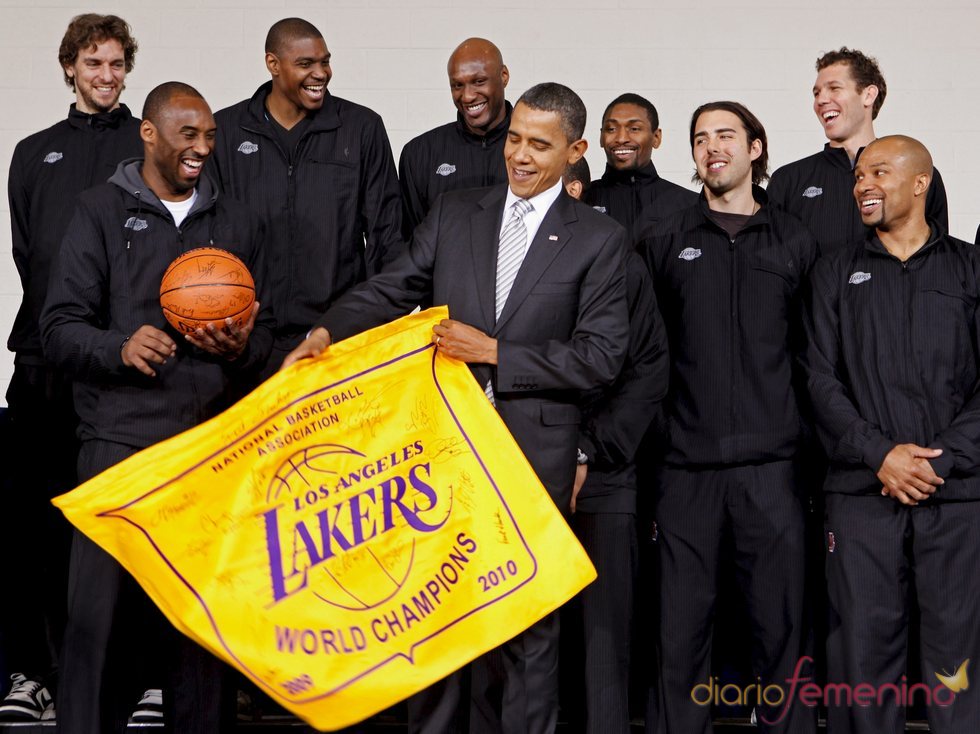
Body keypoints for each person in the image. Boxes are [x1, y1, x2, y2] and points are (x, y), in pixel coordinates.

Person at [284, 82, 630, 734]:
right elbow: (391, 289)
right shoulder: (455, 211)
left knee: (527, 626)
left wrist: (495, 352)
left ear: (576, 150)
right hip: (443, 453)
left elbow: (601, 356)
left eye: (539, 145)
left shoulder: (600, 238)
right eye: (514, 138)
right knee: (436, 618)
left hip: (533, 458)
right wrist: (327, 332)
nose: (519, 155)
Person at [40, 82, 274, 734]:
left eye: (210, 136)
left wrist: (242, 347)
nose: (202, 148)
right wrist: (119, 348)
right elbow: (58, 328)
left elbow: (270, 338)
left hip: (207, 448)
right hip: (118, 445)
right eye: (187, 135)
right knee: (96, 631)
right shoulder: (98, 210)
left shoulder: (239, 221)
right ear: (149, 134)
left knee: (200, 634)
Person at [639, 101, 817, 733]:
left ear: (755, 148)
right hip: (685, 474)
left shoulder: (796, 240)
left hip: (773, 473)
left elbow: (812, 356)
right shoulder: (663, 238)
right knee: (679, 643)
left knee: (781, 641)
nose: (711, 147)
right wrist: (661, 438)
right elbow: (643, 355)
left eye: (725, 135)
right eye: (700, 138)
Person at [804, 135, 980, 734]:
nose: (863, 186)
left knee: (957, 664)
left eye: (878, 172)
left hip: (955, 497)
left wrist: (940, 460)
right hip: (861, 496)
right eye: (858, 176)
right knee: (862, 656)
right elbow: (818, 379)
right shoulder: (833, 271)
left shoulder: (970, 267)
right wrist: (879, 454)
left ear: (920, 182)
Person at [0, 13, 142, 722]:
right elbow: (30, 253)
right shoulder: (33, 153)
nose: (106, 76)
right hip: (44, 363)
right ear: (69, 68)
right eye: (93, 64)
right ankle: (35, 676)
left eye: (116, 64)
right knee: (37, 526)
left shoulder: (147, 142)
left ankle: (140, 682)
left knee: (128, 525)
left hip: (120, 367)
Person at [212, 17, 403, 377]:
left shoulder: (361, 128)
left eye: (325, 62)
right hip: (249, 343)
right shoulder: (225, 131)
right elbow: (209, 239)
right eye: (305, 64)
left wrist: (375, 328)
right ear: (273, 64)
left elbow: (386, 237)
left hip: (336, 339)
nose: (321, 73)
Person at [563, 157, 670, 733]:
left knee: (604, 638)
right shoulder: (502, 255)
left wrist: (588, 451)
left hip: (605, 471)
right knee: (522, 636)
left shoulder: (620, 260)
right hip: (518, 468)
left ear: (575, 187)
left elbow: (648, 366)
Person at [768, 47, 948, 256]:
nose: (821, 100)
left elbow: (937, 257)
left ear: (868, 95)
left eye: (834, 88)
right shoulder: (788, 180)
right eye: (816, 93)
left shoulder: (915, 174)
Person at [399, 37, 512, 239]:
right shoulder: (420, 153)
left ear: (504, 76)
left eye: (479, 81)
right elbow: (412, 242)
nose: (467, 96)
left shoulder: (536, 148)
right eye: (457, 85)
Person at [585, 93, 697, 243]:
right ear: (601, 137)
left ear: (656, 137)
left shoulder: (689, 204)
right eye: (611, 129)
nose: (621, 138)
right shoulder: (582, 200)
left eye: (634, 128)